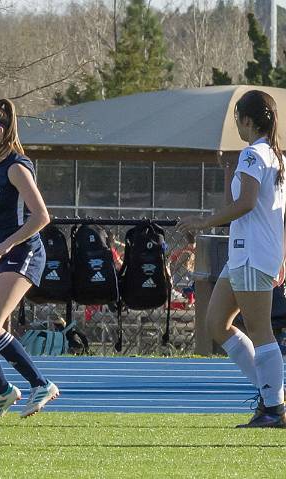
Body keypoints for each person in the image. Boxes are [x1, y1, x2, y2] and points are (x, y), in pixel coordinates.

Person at [177, 89, 286, 428]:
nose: (236, 124)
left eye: (238, 118)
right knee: (217, 324)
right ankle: (271, 396)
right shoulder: (271, 156)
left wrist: (203, 221)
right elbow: (265, 208)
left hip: (252, 252)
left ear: (248, 120)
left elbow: (248, 204)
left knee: (260, 330)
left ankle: (274, 408)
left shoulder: (254, 155)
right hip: (246, 252)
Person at [0, 99, 59, 418]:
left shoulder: (17, 167)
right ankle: (3, 390)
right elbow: (2, 213)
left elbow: (41, 216)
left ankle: (41, 384)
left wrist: (6, 243)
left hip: (24, 251)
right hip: (0, 249)